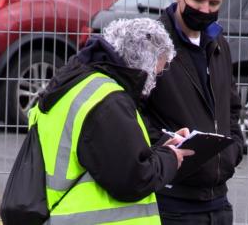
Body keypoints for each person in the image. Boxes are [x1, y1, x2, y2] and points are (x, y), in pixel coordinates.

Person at [32, 18, 193, 224]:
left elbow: (107, 158)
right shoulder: (109, 100)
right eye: (155, 72)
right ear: (143, 63)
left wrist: (160, 147)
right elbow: (133, 178)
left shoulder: (80, 84)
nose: (154, 81)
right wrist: (170, 158)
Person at [141, 0, 244, 224]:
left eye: (214, 3)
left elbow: (232, 107)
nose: (205, 9)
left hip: (218, 201)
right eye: (198, 0)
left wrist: (233, 149)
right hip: (171, 201)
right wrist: (166, 144)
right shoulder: (152, 44)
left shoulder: (219, 43)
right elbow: (131, 113)